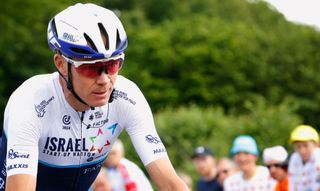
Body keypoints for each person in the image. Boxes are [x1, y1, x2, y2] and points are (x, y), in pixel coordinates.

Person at [0, 3, 189, 191]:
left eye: (113, 64)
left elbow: (172, 185)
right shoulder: (31, 102)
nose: (105, 80)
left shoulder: (127, 97)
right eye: (91, 68)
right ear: (60, 64)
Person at [288, 124, 320, 191]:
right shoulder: (294, 158)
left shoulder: (318, 156)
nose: (302, 151)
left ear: (316, 144)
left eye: (306, 145)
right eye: (298, 146)